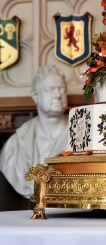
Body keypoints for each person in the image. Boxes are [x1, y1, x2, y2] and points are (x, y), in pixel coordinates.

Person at [0, 66, 69, 198]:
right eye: (50, 89)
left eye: (62, 89)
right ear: (36, 96)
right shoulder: (15, 145)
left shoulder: (80, 132)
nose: (58, 95)